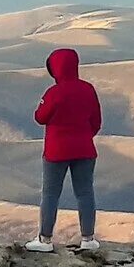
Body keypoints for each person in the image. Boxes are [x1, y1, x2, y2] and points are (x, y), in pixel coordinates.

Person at [26, 47, 101, 253]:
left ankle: (45, 239)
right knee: (85, 193)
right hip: (85, 149)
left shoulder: (54, 93)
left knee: (50, 194)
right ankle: (88, 239)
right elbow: (96, 122)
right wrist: (83, 136)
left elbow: (40, 117)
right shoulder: (88, 89)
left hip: (56, 152)